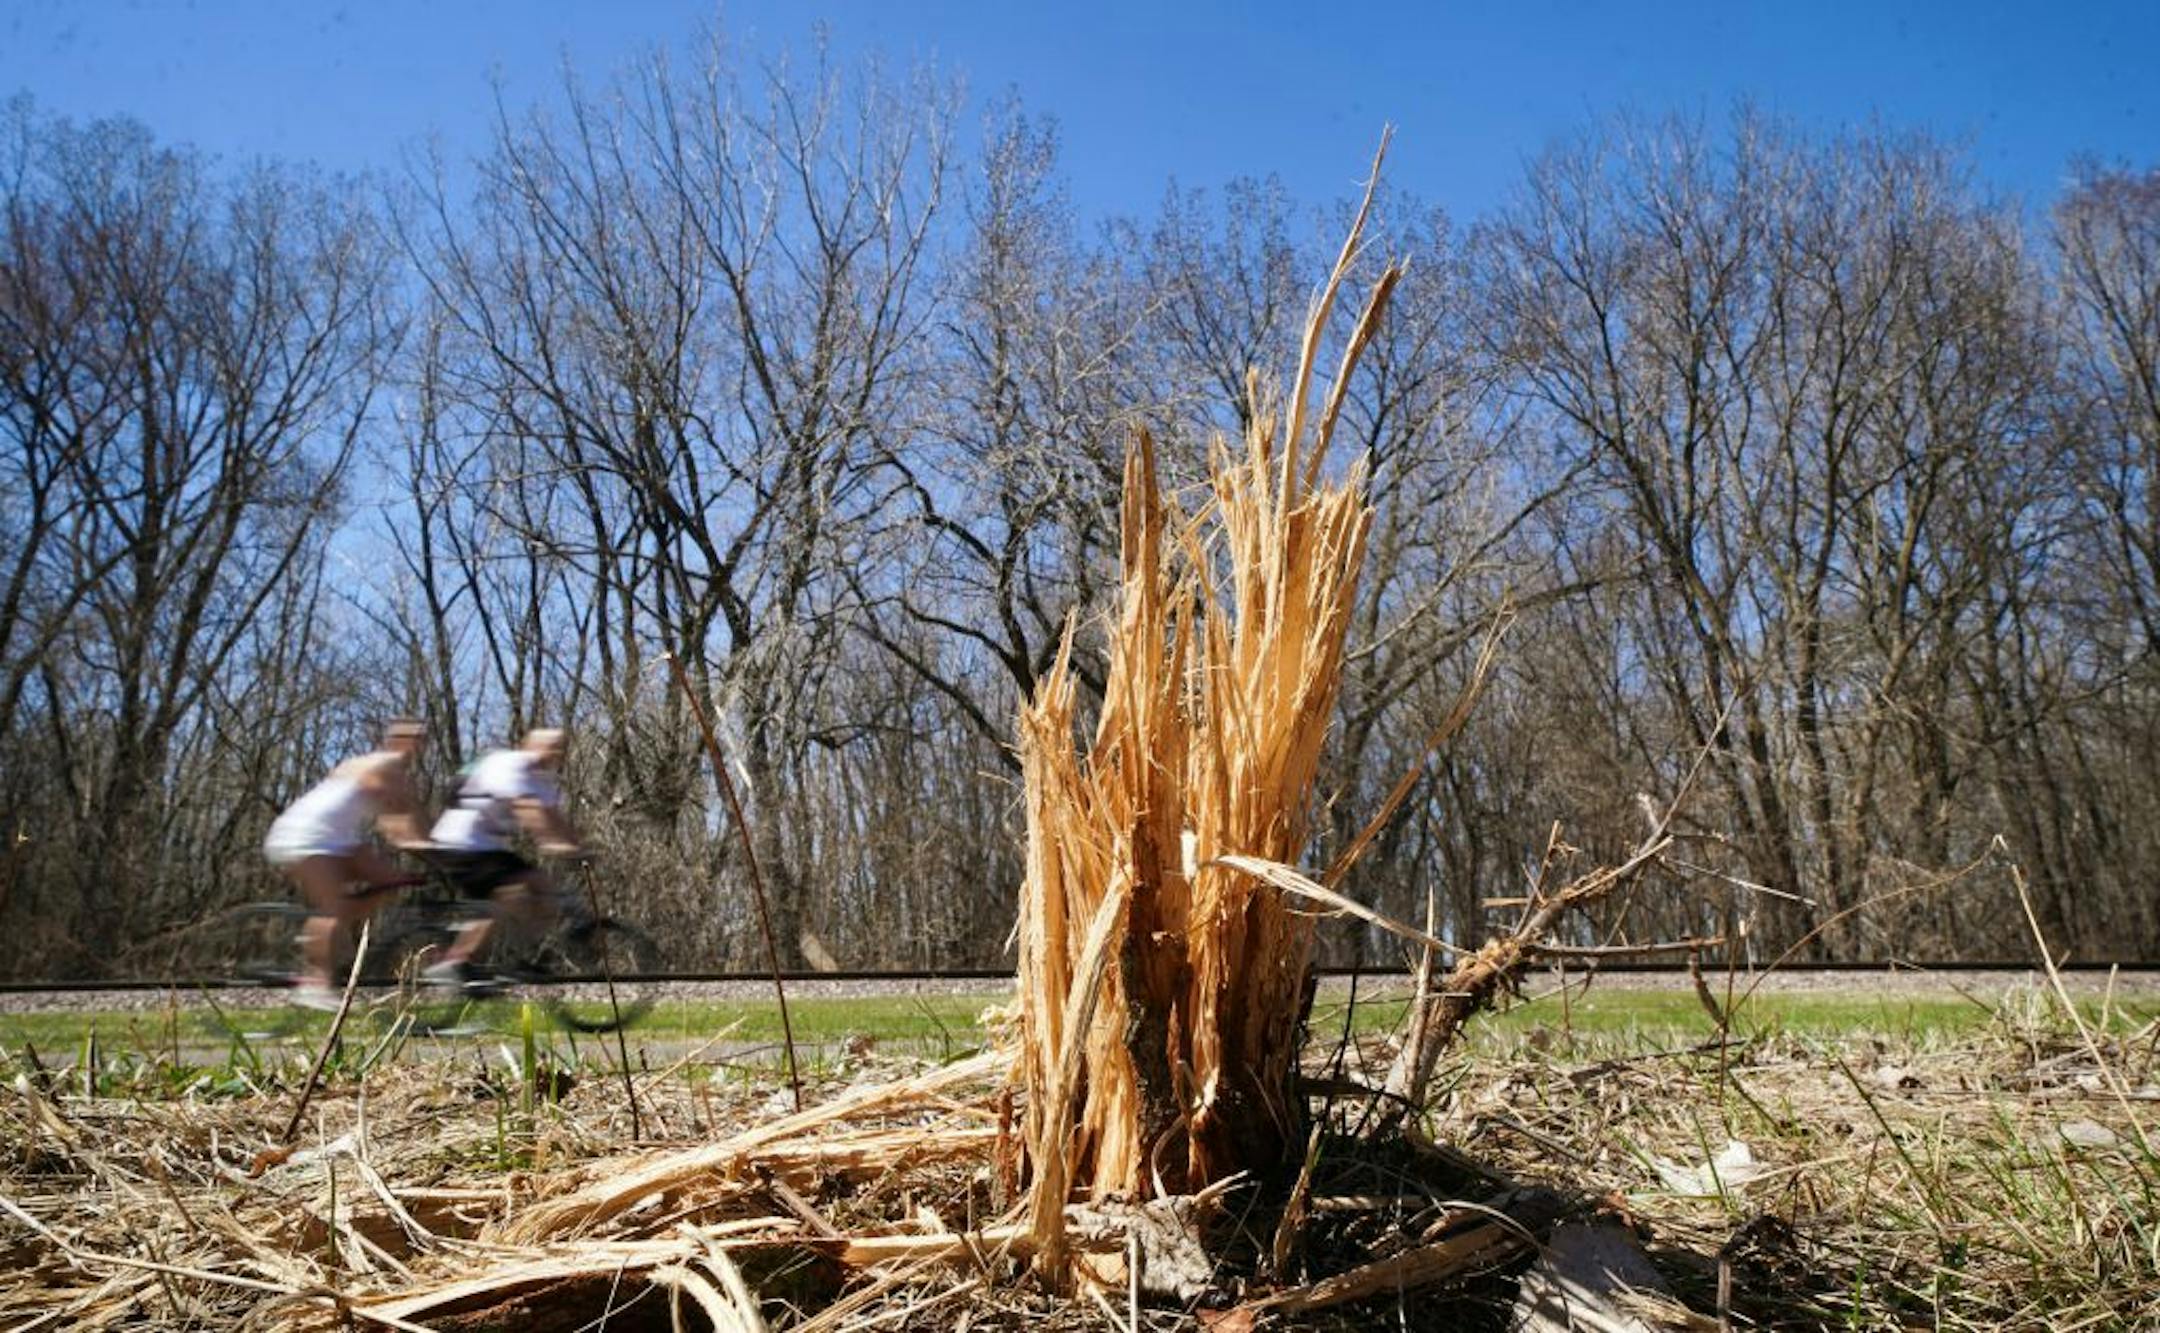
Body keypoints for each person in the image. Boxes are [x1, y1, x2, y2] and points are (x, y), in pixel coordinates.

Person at [262, 720, 431, 1009]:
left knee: (392, 881)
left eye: (421, 740)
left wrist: (430, 846)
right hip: (305, 837)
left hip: (339, 840)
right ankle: (315, 984)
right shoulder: (381, 765)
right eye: (412, 738)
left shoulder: (393, 773)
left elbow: (403, 822)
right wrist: (420, 842)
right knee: (335, 909)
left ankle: (334, 938)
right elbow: (393, 818)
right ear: (395, 740)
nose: (417, 745)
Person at [422, 726, 584, 987]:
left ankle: (523, 957)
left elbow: (555, 817)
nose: (556, 752)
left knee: (542, 888)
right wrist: (552, 843)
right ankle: (459, 961)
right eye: (551, 746)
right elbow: (528, 810)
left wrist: (580, 846)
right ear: (530, 744)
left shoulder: (542, 780)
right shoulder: (510, 764)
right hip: (459, 842)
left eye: (560, 747)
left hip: (486, 847)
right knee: (510, 893)